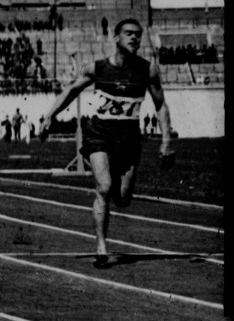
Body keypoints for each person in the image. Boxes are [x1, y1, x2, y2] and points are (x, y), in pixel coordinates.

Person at [39, 18, 174, 269]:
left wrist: (166, 140)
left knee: (122, 199)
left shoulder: (148, 70)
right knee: (103, 187)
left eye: (138, 34)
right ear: (116, 38)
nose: (134, 38)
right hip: (99, 135)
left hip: (129, 139)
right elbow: (71, 91)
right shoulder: (98, 68)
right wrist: (50, 116)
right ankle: (101, 248)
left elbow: (160, 105)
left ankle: (111, 183)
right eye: (128, 33)